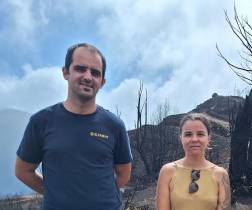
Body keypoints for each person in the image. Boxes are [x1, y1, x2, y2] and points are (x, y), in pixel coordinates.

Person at [15, 43, 133, 210]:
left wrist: (99, 196)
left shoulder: (114, 125)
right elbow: (23, 171)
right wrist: (54, 193)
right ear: (65, 72)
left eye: (95, 73)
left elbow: (124, 174)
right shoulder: (41, 122)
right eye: (80, 69)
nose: (88, 77)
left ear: (103, 81)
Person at [156, 113, 231, 210]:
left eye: (200, 134)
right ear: (181, 138)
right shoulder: (167, 172)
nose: (194, 139)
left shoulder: (221, 174)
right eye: (188, 134)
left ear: (208, 138)